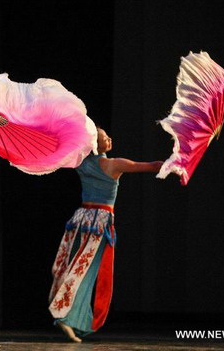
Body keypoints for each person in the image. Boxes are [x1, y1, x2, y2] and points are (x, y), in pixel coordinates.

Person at [48, 127, 163, 342]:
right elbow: (152, 166)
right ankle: (64, 314)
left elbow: (57, 156)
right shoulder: (113, 164)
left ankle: (73, 318)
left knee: (75, 267)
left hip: (81, 218)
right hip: (99, 222)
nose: (109, 139)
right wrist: (177, 162)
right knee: (85, 271)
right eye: (104, 138)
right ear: (95, 144)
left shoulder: (81, 163)